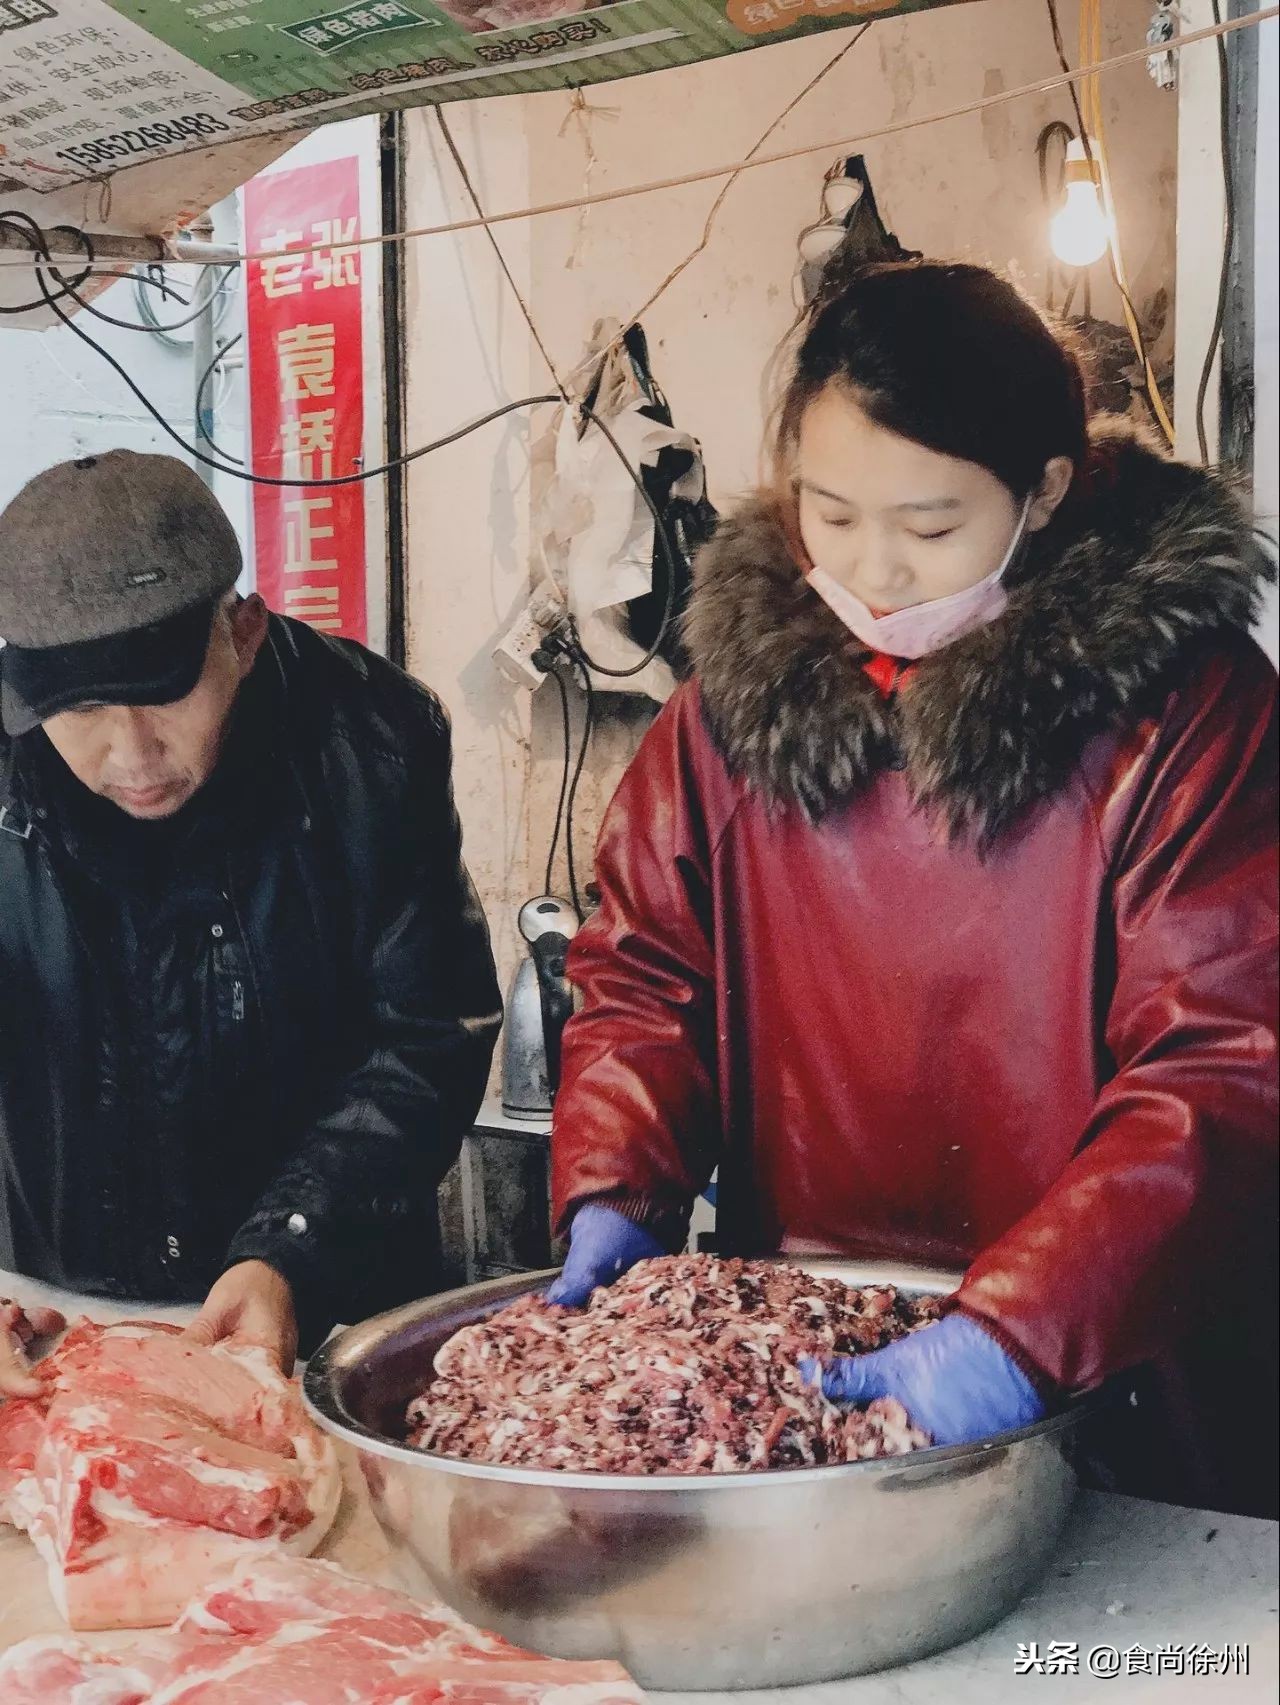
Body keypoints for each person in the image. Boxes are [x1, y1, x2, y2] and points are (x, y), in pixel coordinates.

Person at [548, 262, 1278, 1518]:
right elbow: (645, 975)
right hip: (811, 1367)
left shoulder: (1187, 713)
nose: (874, 570)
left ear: (1043, 490)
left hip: (1123, 1371)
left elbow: (1226, 1061)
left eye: (930, 529)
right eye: (830, 515)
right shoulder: (726, 714)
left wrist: (1022, 1331)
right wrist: (617, 1182)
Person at [0, 450, 501, 1395]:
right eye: (84, 709)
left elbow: (427, 1036)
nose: (131, 752)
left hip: (324, 1308)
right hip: (49, 1315)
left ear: (244, 631)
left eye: (163, 693)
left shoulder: (372, 743)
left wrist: (289, 1246)